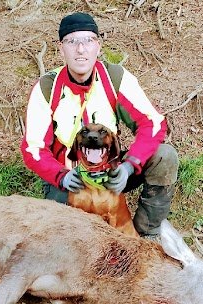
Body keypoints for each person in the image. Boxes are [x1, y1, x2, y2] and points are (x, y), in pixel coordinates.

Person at [19, 12, 178, 240]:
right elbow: (33, 149)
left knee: (165, 156)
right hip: (69, 178)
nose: (80, 49)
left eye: (87, 41)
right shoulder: (47, 88)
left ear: (98, 46)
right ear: (61, 48)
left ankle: (148, 235)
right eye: (72, 41)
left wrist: (129, 166)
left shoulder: (115, 78)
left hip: (112, 173)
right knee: (66, 243)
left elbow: (152, 123)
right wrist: (60, 176)